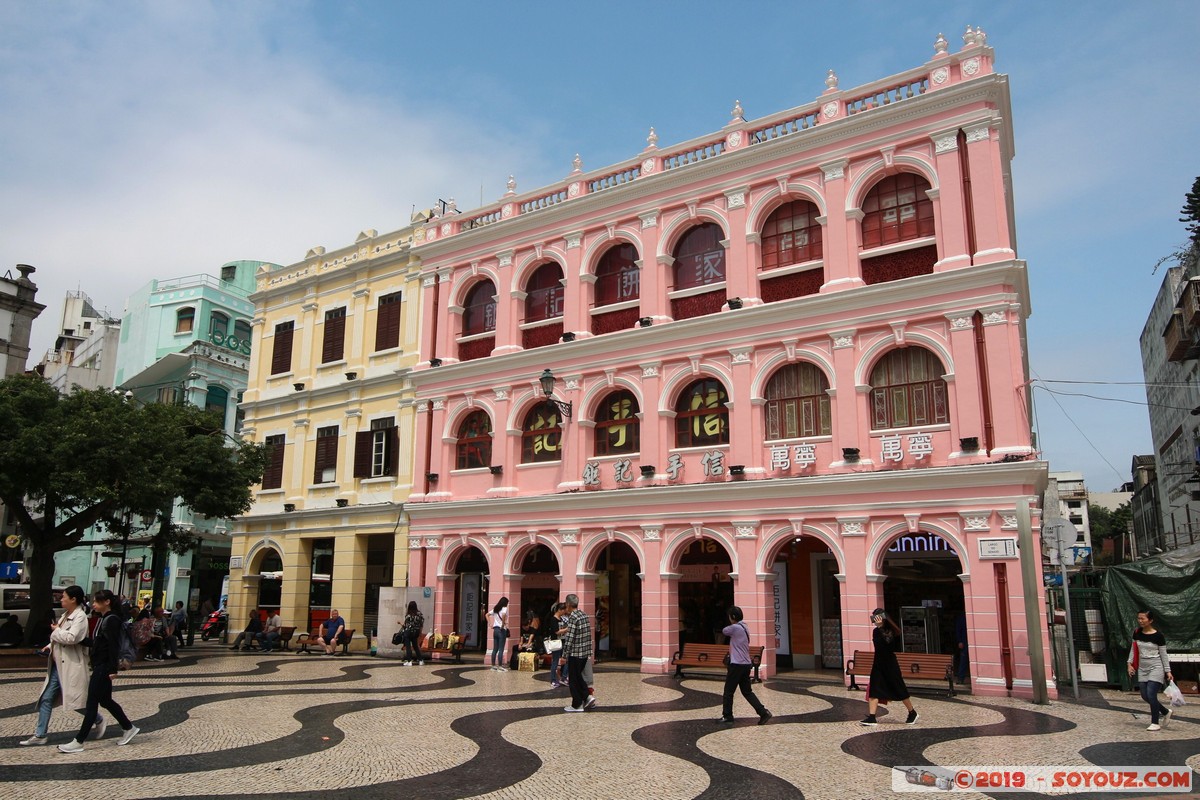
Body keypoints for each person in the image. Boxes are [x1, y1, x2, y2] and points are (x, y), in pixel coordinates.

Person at [19, 586, 104, 746]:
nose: (61, 599)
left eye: (64, 597)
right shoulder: (65, 616)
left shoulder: (80, 617)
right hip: (59, 664)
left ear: (73, 599)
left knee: (72, 699)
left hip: (70, 664)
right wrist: (50, 646)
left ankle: (97, 718)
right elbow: (59, 638)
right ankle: (40, 734)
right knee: (46, 699)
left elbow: (72, 638)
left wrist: (56, 631)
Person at [57, 589, 139, 753]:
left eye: (96, 601)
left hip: (103, 667)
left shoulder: (112, 620)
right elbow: (98, 643)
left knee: (92, 703)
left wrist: (113, 669)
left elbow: (113, 647)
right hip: (100, 664)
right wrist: (78, 639)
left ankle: (79, 741)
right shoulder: (104, 619)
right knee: (106, 700)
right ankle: (128, 727)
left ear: (106, 602)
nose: (93, 604)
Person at [860, 608, 918, 726]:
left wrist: (881, 627)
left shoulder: (890, 631)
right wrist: (879, 628)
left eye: (877, 617)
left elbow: (888, 644)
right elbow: (878, 646)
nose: (875, 620)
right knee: (874, 689)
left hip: (890, 664)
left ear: (883, 618)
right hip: (878, 664)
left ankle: (912, 712)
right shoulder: (876, 631)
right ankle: (872, 717)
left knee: (899, 688)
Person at [716, 606, 771, 726]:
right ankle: (763, 712)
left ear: (733, 617)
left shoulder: (735, 628)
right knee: (747, 692)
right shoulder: (745, 626)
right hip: (746, 664)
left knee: (728, 691)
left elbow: (724, 631)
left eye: (730, 616)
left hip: (736, 664)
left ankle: (727, 716)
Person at [1128, 609, 1174, 731]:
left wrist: (1167, 671)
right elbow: (1133, 649)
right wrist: (1130, 664)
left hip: (1156, 666)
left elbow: (1164, 654)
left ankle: (1155, 722)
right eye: (1139, 618)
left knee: (1151, 694)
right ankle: (1165, 711)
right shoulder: (1136, 633)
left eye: (1143, 618)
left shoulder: (1158, 636)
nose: (1140, 621)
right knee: (1144, 695)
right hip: (1143, 667)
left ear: (1150, 620)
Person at [560, 593, 594, 712]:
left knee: (573, 680)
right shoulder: (583, 615)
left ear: (568, 604)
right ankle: (587, 696)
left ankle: (577, 704)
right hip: (585, 653)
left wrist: (564, 656)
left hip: (575, 653)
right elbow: (588, 634)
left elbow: (570, 638)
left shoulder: (573, 617)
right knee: (578, 677)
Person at [544, 603, 567, 688]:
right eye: (563, 610)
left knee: (565, 659)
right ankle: (553, 680)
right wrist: (566, 629)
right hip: (556, 642)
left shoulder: (562, 618)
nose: (564, 612)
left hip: (563, 641)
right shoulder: (553, 619)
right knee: (555, 661)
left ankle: (563, 677)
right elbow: (556, 631)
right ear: (560, 610)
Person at [486, 597, 509, 671]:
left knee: (495, 649)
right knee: (501, 648)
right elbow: (503, 615)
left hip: (495, 629)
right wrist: (502, 624)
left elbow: (487, 615)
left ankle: (493, 666)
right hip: (501, 630)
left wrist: (490, 624)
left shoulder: (496, 609)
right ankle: (500, 666)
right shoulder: (504, 608)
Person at [400, 601, 424, 666]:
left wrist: (401, 625)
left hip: (408, 632)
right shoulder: (419, 614)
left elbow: (406, 625)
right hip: (416, 632)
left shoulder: (408, 615)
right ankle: (420, 660)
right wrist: (420, 632)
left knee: (408, 646)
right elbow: (421, 624)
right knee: (415, 646)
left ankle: (409, 661)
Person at [954, 613, 969, 684]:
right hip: (964, 641)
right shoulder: (961, 618)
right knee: (963, 660)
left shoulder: (962, 618)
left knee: (963, 659)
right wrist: (959, 641)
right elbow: (958, 630)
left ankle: (961, 677)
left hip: (967, 641)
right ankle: (960, 678)